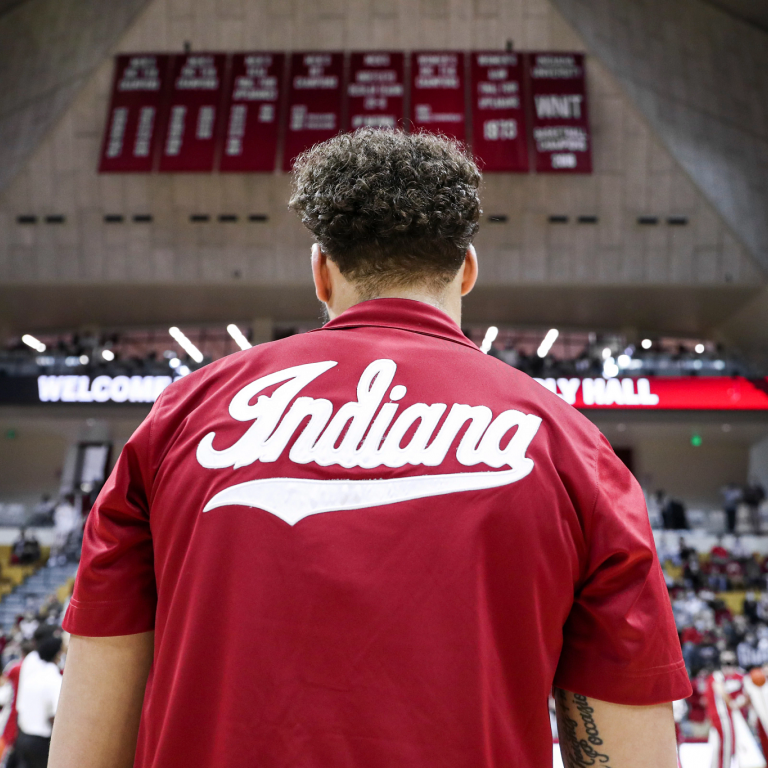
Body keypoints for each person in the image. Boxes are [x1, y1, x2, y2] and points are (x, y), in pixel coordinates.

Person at [50, 129, 690, 768]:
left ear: (321, 272)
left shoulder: (180, 422)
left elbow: (86, 742)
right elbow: (633, 749)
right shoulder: (572, 448)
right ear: (466, 269)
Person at [15, 632, 63, 768]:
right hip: (40, 741)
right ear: (57, 655)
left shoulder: (32, 677)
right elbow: (55, 715)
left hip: (23, 736)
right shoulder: (55, 680)